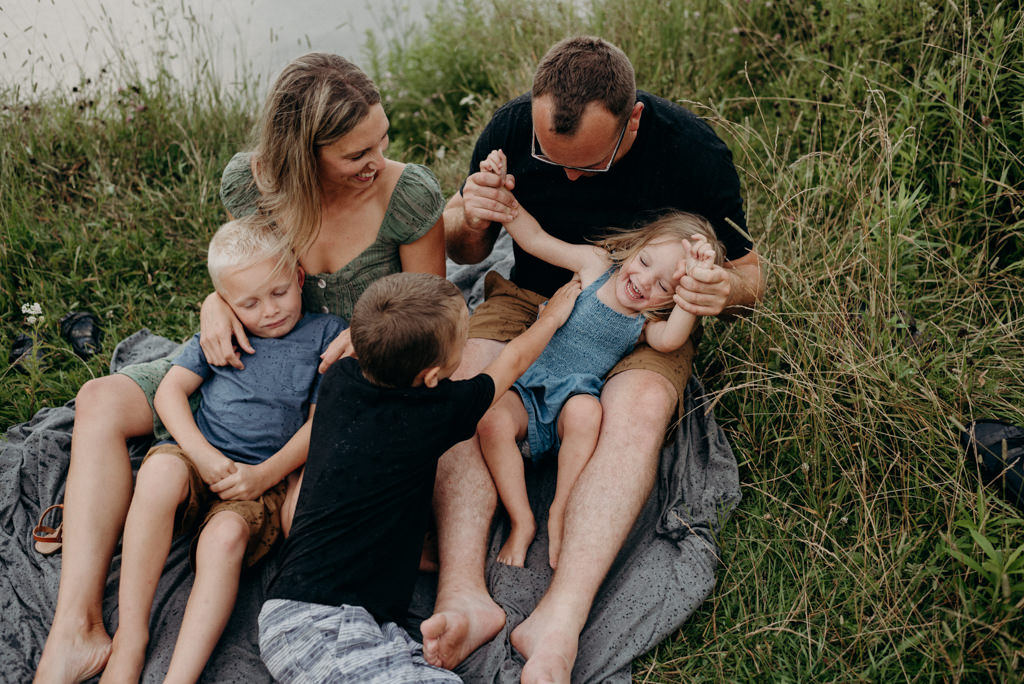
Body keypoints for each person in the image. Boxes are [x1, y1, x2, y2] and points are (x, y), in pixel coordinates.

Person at [34, 52, 445, 684]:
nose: (379, 159)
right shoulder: (252, 186)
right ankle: (79, 625)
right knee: (99, 402)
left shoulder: (405, 194)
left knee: (312, 510)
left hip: (333, 385)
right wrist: (213, 305)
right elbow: (242, 268)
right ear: (304, 154)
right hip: (247, 363)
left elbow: (430, 319)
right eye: (357, 152)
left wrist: (370, 340)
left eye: (381, 139)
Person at [422, 36, 765, 682]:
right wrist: (472, 213)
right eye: (556, 163)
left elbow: (753, 274)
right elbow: (471, 250)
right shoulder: (512, 129)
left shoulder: (694, 152)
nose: (571, 179)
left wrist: (721, 290)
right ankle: (462, 592)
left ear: (631, 120)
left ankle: (560, 619)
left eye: (590, 167)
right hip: (530, 294)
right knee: (465, 384)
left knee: (636, 411)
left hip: (643, 321)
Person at [257, 271, 581, 683]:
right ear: (431, 377)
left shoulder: (339, 380)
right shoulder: (435, 412)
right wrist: (550, 319)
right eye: (462, 343)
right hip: (316, 625)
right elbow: (512, 360)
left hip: (349, 621)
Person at [100, 217, 345, 683]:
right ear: (225, 305)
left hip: (258, 485)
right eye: (249, 303)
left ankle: (180, 677)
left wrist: (265, 475)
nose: (269, 310)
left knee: (224, 538)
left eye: (278, 292)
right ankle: (129, 642)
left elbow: (321, 424)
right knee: (157, 475)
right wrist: (201, 454)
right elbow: (170, 393)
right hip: (200, 457)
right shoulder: (223, 332)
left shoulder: (325, 334)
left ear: (297, 278)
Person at [476, 150, 722, 569]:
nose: (643, 281)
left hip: (575, 399)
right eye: (644, 262)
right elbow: (536, 239)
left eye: (663, 285)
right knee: (490, 419)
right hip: (532, 383)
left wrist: (695, 286)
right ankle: (522, 519)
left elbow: (672, 338)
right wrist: (504, 198)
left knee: (589, 411)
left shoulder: (645, 322)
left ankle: (560, 509)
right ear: (636, 245)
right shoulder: (596, 267)